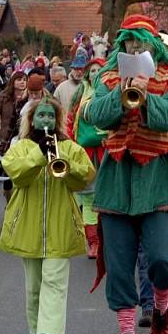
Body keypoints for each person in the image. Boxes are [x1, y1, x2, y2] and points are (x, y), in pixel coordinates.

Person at [83, 15, 168, 334]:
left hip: (157, 177)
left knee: (163, 256)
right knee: (120, 263)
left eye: (140, 43)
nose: (134, 49)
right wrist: (122, 94)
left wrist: (147, 96)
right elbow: (94, 116)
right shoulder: (106, 77)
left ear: (154, 46)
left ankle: (163, 308)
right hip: (117, 177)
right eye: (129, 44)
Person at [0, 97, 95, 334]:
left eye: (50, 116)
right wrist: (39, 154)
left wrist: (62, 159)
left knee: (55, 282)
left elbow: (84, 177)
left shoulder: (70, 147)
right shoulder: (21, 147)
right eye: (40, 116)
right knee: (34, 287)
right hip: (27, 226)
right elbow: (17, 174)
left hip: (60, 224)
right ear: (31, 120)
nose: (46, 121)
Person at [66, 57, 106, 259]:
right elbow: (70, 123)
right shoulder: (79, 95)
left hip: (108, 153)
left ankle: (109, 241)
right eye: (92, 71)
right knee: (90, 199)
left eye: (99, 69)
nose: (95, 73)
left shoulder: (112, 92)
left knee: (108, 198)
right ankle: (93, 242)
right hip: (87, 154)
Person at [0, 70, 28, 202]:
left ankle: (20, 202)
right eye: (19, 79)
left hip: (23, 139)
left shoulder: (28, 98)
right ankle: (9, 202)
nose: (22, 82)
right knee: (7, 174)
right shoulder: (4, 96)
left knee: (20, 172)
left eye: (24, 80)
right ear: (13, 81)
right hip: (6, 140)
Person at [54, 51, 87, 116]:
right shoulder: (61, 88)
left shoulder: (89, 87)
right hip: (66, 123)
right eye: (76, 69)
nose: (79, 72)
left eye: (81, 69)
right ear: (71, 69)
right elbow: (54, 108)